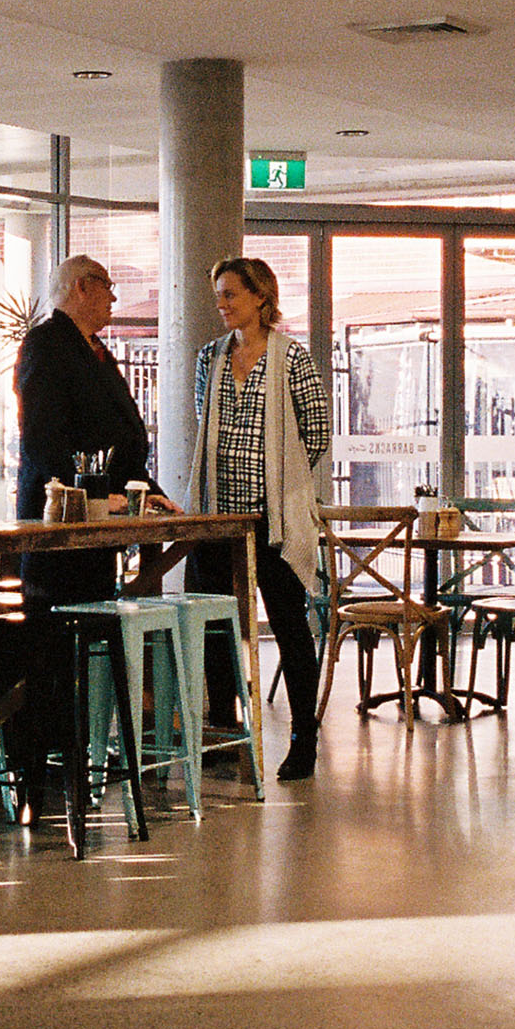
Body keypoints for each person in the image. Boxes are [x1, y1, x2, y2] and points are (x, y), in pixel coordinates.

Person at [9, 255, 163, 798]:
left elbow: (122, 435)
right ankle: (53, 756)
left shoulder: (95, 351)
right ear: (80, 288)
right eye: (107, 288)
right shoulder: (46, 347)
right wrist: (99, 497)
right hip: (59, 526)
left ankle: (86, 745)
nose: (114, 300)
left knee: (88, 625)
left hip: (103, 518)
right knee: (53, 639)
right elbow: (47, 445)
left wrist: (145, 492)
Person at [185, 255, 330, 783]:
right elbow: (207, 428)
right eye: (218, 294)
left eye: (230, 295)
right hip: (220, 512)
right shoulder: (211, 357)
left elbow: (315, 433)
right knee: (217, 626)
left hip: (275, 517)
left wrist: (282, 484)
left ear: (260, 297)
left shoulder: (293, 358)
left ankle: (303, 738)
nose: (221, 304)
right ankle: (223, 730)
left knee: (290, 627)